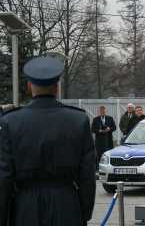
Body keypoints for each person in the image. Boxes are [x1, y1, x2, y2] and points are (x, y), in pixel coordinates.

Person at [0, 57, 96, 226]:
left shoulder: (10, 122)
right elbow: (87, 173)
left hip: (25, 205)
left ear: (30, 87)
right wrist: (84, 212)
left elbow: (4, 177)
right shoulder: (78, 120)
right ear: (56, 87)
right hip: (66, 202)